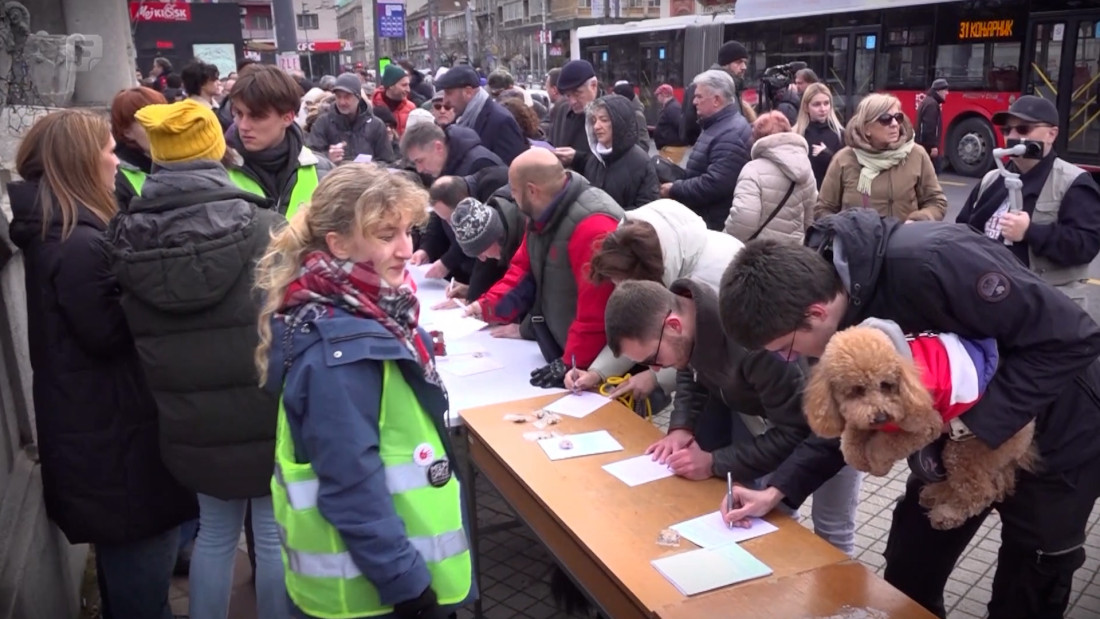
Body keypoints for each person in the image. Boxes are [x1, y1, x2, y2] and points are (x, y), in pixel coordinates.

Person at [717, 213, 1100, 618]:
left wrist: (969, 427)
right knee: (909, 563)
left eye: (786, 348)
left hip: (1059, 426)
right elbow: (853, 416)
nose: (788, 359)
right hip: (946, 430)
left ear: (815, 313)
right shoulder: (829, 310)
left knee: (1030, 584)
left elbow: (1074, 339)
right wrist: (778, 490)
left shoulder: (935, 263)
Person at [254, 165, 475, 619]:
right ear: (337, 244)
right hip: (376, 597)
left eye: (408, 231)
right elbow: (349, 483)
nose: (405, 250)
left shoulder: (362, 312)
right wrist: (412, 591)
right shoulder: (340, 347)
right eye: (385, 234)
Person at [8, 109, 196, 619]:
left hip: (105, 437)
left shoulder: (62, 231)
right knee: (143, 597)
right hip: (119, 449)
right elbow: (109, 333)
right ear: (81, 161)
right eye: (108, 149)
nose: (117, 159)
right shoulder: (78, 243)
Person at [108, 99, 288, 619]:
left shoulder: (126, 232)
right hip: (262, 404)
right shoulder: (263, 226)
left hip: (186, 415)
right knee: (273, 536)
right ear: (215, 147)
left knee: (214, 534)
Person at [602, 279, 863, 554]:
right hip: (789, 422)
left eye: (654, 358)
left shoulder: (754, 347)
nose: (655, 371)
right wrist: (682, 426)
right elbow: (690, 371)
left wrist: (713, 463)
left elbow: (796, 433)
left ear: (674, 325)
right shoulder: (690, 326)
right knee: (777, 512)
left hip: (839, 426)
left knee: (832, 527)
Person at [464, 148, 624, 388]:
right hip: (568, 353)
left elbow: (597, 313)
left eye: (515, 192)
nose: (514, 201)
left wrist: (570, 362)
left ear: (532, 190)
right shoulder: (540, 215)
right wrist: (485, 307)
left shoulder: (593, 226)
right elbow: (522, 273)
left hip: (600, 366)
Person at [572, 199, 743, 402]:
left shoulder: (720, 275)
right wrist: (597, 372)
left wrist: (655, 376)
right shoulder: (663, 260)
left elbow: (704, 349)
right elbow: (641, 332)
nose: (621, 291)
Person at [956, 95, 1100, 313]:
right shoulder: (992, 179)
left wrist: (1030, 232)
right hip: (986, 302)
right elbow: (962, 229)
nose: (1013, 137)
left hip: (1044, 309)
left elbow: (1085, 245)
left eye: (1023, 129)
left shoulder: (1072, 182)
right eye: (1007, 131)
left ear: (1052, 134)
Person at [815, 93, 945, 222]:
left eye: (898, 117)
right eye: (885, 119)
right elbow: (824, 209)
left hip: (905, 240)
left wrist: (917, 220)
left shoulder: (917, 154)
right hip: (858, 241)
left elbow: (936, 202)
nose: (894, 124)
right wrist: (845, 228)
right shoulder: (844, 159)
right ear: (867, 129)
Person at [226, 65, 334, 217]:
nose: (243, 126)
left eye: (256, 116)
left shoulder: (323, 172)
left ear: (287, 118)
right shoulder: (220, 171)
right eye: (238, 113)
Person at [661, 70, 751, 231]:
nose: (694, 102)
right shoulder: (717, 125)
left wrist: (675, 189)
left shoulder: (730, 133)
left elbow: (715, 184)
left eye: (699, 96)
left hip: (713, 223)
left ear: (716, 100)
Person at [725, 111, 817, 244]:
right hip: (794, 251)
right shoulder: (806, 168)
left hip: (761, 253)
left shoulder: (753, 170)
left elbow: (744, 217)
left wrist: (727, 239)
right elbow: (811, 216)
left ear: (756, 138)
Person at [580, 94, 659, 209]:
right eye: (594, 120)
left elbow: (647, 208)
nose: (596, 126)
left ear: (620, 123)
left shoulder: (640, 162)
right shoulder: (594, 160)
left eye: (604, 120)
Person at [436, 64, 527, 164]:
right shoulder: (460, 119)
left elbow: (512, 169)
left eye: (449, 93)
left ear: (468, 92)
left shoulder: (500, 121)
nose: (444, 101)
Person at [307, 72, 395, 165]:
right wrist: (328, 158)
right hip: (335, 178)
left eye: (347, 97)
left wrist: (372, 167)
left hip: (367, 178)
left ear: (358, 97)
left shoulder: (376, 125)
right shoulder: (323, 123)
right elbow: (312, 158)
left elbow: (387, 161)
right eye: (338, 96)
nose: (342, 102)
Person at [681, 41, 748, 146]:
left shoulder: (733, 84)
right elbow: (688, 127)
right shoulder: (701, 85)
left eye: (745, 62)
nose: (744, 67)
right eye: (738, 62)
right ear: (725, 63)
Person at [111, 86, 168, 210]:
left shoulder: (181, 163)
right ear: (127, 132)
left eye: (166, 118)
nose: (164, 128)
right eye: (149, 123)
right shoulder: (115, 178)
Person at [794, 82, 844, 189]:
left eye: (826, 103)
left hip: (829, 196)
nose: (823, 109)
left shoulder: (840, 135)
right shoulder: (796, 134)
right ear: (806, 107)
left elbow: (846, 171)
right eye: (816, 104)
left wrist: (829, 156)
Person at [372, 64, 417, 137]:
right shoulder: (372, 106)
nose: (408, 90)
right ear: (391, 85)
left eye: (408, 85)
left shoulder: (411, 108)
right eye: (404, 85)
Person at [915, 78, 949, 172]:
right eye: (945, 90)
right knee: (932, 173)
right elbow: (929, 127)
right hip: (927, 148)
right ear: (939, 91)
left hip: (924, 146)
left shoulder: (928, 101)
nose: (947, 93)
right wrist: (933, 146)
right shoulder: (932, 105)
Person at [653, 84, 687, 164]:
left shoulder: (673, 108)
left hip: (672, 149)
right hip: (669, 148)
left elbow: (680, 125)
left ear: (664, 94)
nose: (657, 98)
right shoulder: (670, 107)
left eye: (658, 95)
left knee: (668, 173)